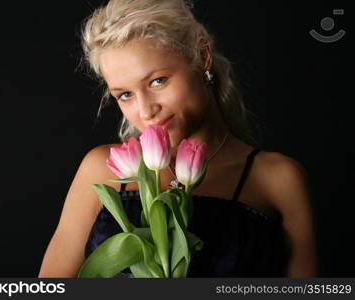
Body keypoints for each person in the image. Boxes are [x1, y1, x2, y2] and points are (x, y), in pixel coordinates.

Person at [38, 0, 318, 277]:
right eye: (126, 95)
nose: (146, 110)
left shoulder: (278, 179)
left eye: (158, 81)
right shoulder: (102, 168)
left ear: (202, 55)